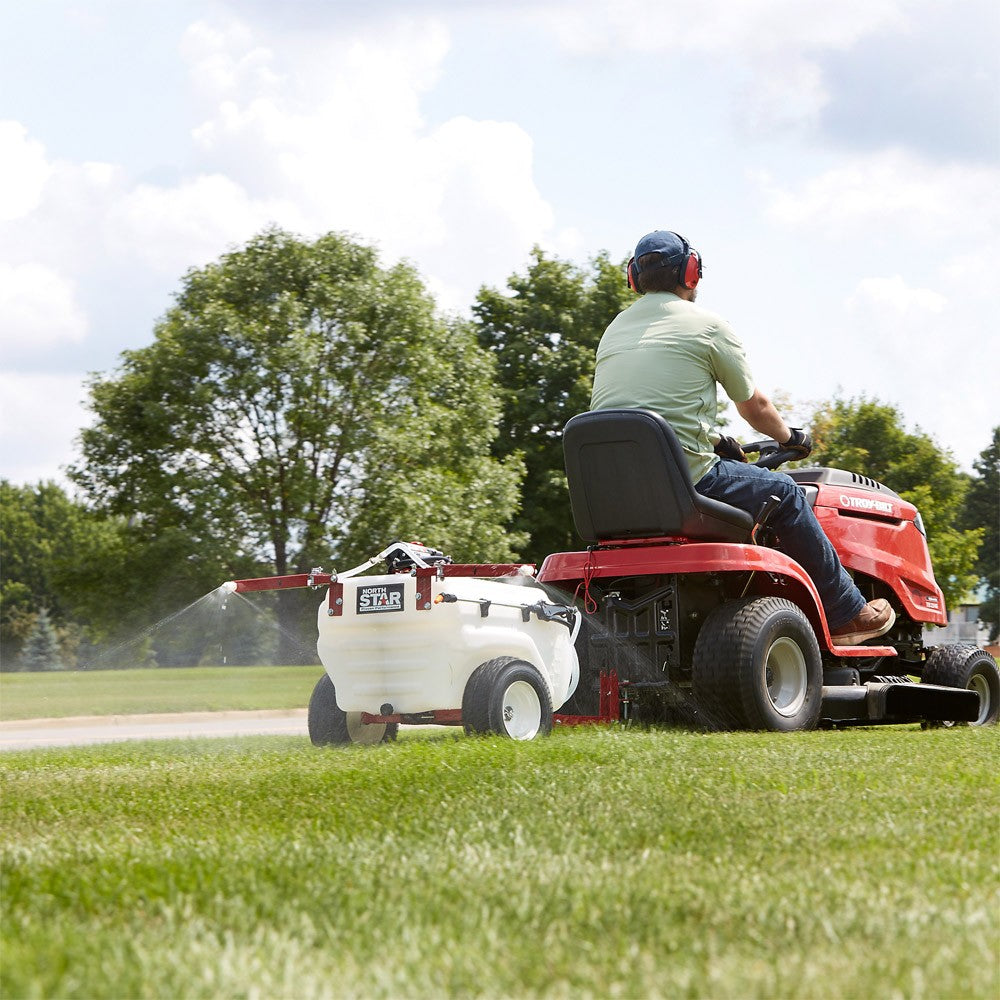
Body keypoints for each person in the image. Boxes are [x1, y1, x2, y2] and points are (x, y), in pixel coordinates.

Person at [590, 229, 895, 646]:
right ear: (691, 273)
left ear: (633, 278)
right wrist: (792, 436)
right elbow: (755, 408)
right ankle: (847, 612)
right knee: (786, 493)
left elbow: (649, 411)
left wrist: (715, 441)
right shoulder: (708, 326)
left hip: (614, 494)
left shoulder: (613, 331)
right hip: (687, 483)